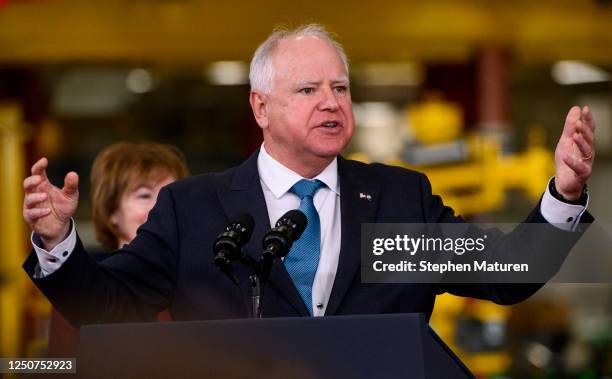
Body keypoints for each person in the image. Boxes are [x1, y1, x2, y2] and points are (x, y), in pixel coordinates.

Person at [22, 25, 595, 325]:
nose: (331, 102)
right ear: (260, 107)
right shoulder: (192, 210)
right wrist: (56, 241)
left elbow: (507, 272)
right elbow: (108, 305)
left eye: (340, 88)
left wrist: (565, 193)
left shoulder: (396, 200)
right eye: (308, 89)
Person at [47, 142, 189, 355]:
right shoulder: (83, 288)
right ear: (111, 211)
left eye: (171, 196)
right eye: (144, 195)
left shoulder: (198, 281)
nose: (162, 208)